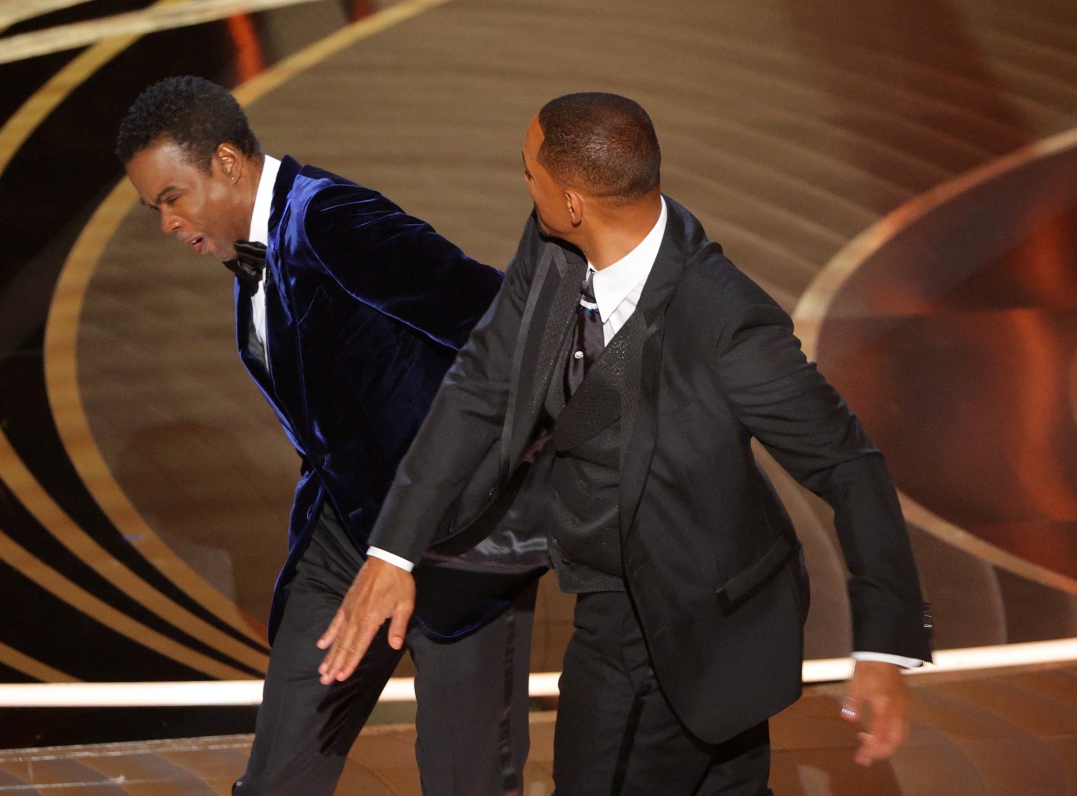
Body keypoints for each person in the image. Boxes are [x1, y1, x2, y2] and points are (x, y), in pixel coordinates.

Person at [318, 92, 934, 794]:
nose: (525, 183)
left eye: (530, 172)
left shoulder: (728, 324)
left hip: (697, 615)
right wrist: (393, 550)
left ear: (575, 201)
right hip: (633, 597)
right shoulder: (551, 247)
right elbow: (481, 384)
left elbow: (847, 465)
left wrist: (884, 646)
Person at [115, 75, 535, 796]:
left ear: (226, 162)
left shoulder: (331, 221)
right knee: (281, 776)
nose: (165, 224)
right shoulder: (253, 251)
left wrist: (497, 478)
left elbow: (499, 324)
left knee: (468, 784)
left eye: (170, 199)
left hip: (454, 538)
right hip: (344, 537)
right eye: (153, 208)